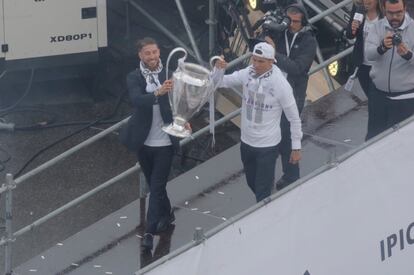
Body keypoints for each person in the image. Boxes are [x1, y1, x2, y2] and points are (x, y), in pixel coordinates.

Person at [214, 42, 303, 202]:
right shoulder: (248, 73)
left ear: (271, 61)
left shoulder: (281, 84)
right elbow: (219, 82)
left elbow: (294, 118)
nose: (256, 64)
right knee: (251, 182)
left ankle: (266, 215)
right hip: (247, 141)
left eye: (261, 61)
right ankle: (268, 204)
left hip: (267, 146)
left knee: (262, 191)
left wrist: (296, 147)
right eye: (254, 60)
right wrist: (218, 69)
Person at [120, 37, 183, 250]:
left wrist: (185, 120)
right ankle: (168, 214)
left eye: (155, 52)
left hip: (165, 142)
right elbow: (136, 100)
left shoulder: (170, 74)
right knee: (156, 185)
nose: (152, 57)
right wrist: (157, 92)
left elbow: (181, 101)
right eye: (147, 53)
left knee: (155, 188)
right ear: (140, 55)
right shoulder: (134, 77)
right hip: (144, 143)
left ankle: (149, 232)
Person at [265, 3, 316, 190]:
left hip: (293, 94)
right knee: (271, 135)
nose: (291, 25)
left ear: (303, 21)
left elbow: (298, 68)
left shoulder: (309, 41)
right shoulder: (281, 33)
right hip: (273, 92)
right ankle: (269, 176)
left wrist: (274, 54)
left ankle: (291, 175)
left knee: (287, 137)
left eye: (295, 22)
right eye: (289, 20)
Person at [365, 0, 414, 139]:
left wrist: (409, 55)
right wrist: (381, 48)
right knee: (373, 139)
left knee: (399, 141)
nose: (394, 17)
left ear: (405, 8)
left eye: (398, 12)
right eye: (390, 13)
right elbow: (368, 55)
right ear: (384, 9)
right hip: (378, 95)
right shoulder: (377, 27)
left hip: (405, 98)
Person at [345, 0, 382, 140]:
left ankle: (373, 134)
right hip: (363, 65)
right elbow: (349, 34)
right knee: (373, 100)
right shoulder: (358, 10)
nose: (366, 2)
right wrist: (353, 28)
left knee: (375, 101)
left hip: (379, 65)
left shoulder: (384, 15)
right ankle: (376, 132)